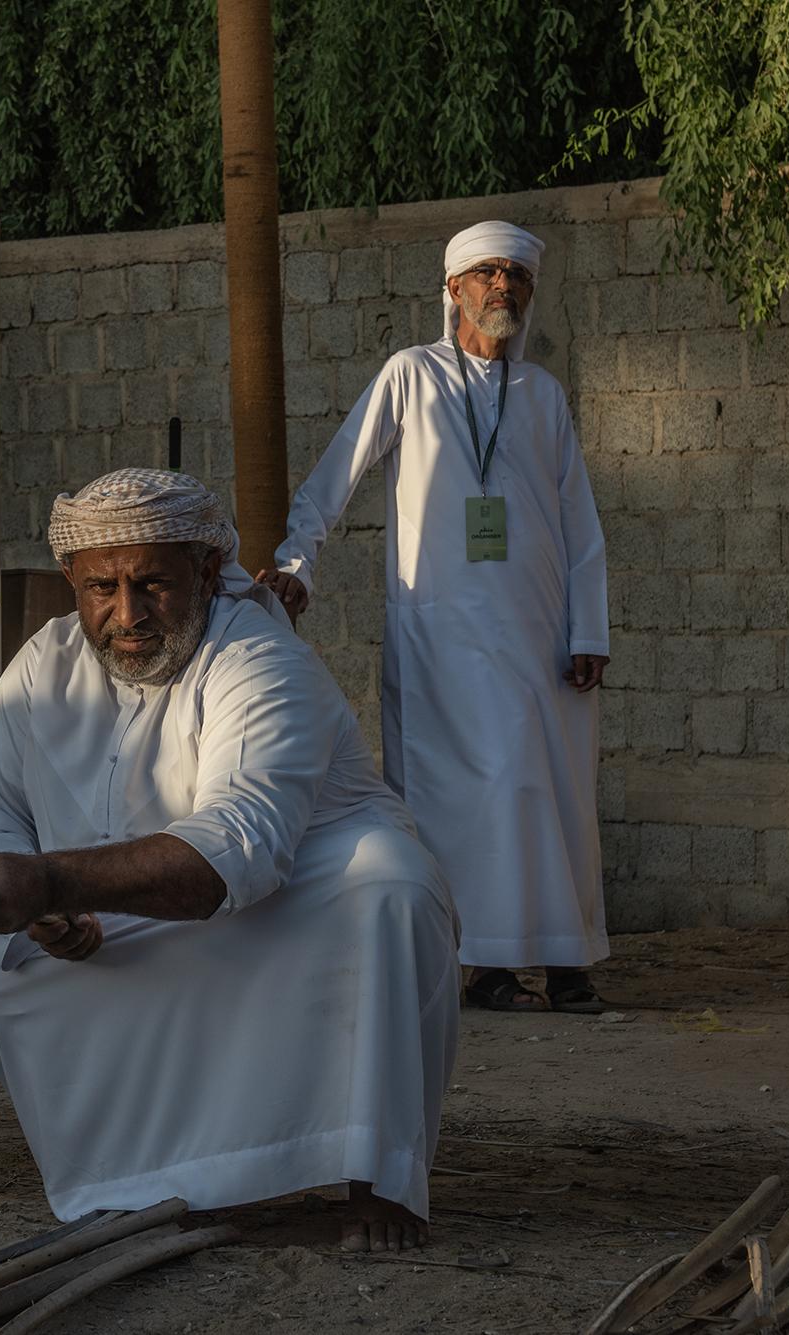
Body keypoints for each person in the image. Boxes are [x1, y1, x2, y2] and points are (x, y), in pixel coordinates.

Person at [0, 468, 459, 1253]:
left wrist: (51, 878)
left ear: (207, 573)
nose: (128, 614)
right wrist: (42, 912)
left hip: (286, 915)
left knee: (391, 883)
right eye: (101, 589)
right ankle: (160, 1178)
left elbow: (239, 843)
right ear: (70, 583)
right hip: (136, 919)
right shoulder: (40, 670)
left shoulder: (257, 656)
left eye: (153, 583)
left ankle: (375, 1172)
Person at [258, 222, 611, 1015]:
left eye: (516, 274)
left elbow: (580, 524)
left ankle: (567, 964)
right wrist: (296, 563)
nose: (503, 286)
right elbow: (336, 474)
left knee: (551, 788)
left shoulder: (543, 396)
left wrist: (589, 629)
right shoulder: (410, 376)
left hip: (541, 630)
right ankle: (483, 963)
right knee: (465, 795)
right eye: (487, 272)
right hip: (441, 635)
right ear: (452, 288)